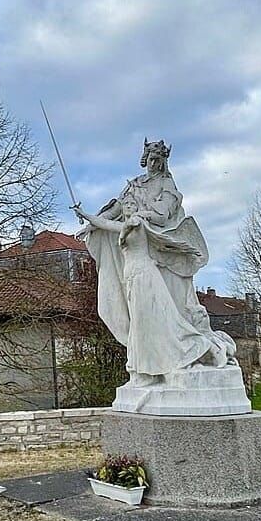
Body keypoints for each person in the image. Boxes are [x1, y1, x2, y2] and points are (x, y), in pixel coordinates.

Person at [76, 139, 236, 386]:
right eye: (150, 159)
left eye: (158, 160)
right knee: (144, 320)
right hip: (136, 265)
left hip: (162, 257)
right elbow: (114, 212)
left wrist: (141, 215)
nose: (153, 164)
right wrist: (90, 221)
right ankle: (151, 368)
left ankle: (176, 360)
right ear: (145, 159)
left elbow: (162, 216)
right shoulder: (135, 185)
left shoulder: (167, 185)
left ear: (163, 162)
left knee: (166, 315)